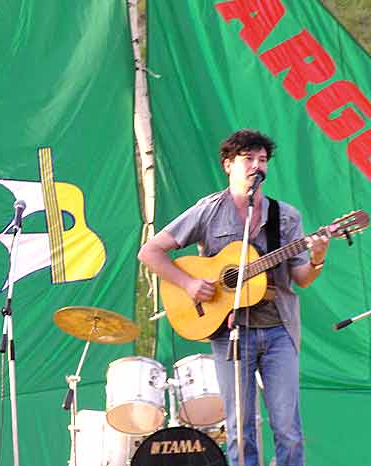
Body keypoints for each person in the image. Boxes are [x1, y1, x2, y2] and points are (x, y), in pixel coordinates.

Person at [137, 129, 329, 466]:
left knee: (288, 429)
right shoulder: (208, 210)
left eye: (262, 160)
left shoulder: (285, 216)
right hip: (231, 332)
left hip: (279, 329)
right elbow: (150, 252)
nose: (256, 166)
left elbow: (302, 278)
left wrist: (317, 257)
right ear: (228, 165)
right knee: (240, 428)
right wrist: (188, 284)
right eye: (248, 159)